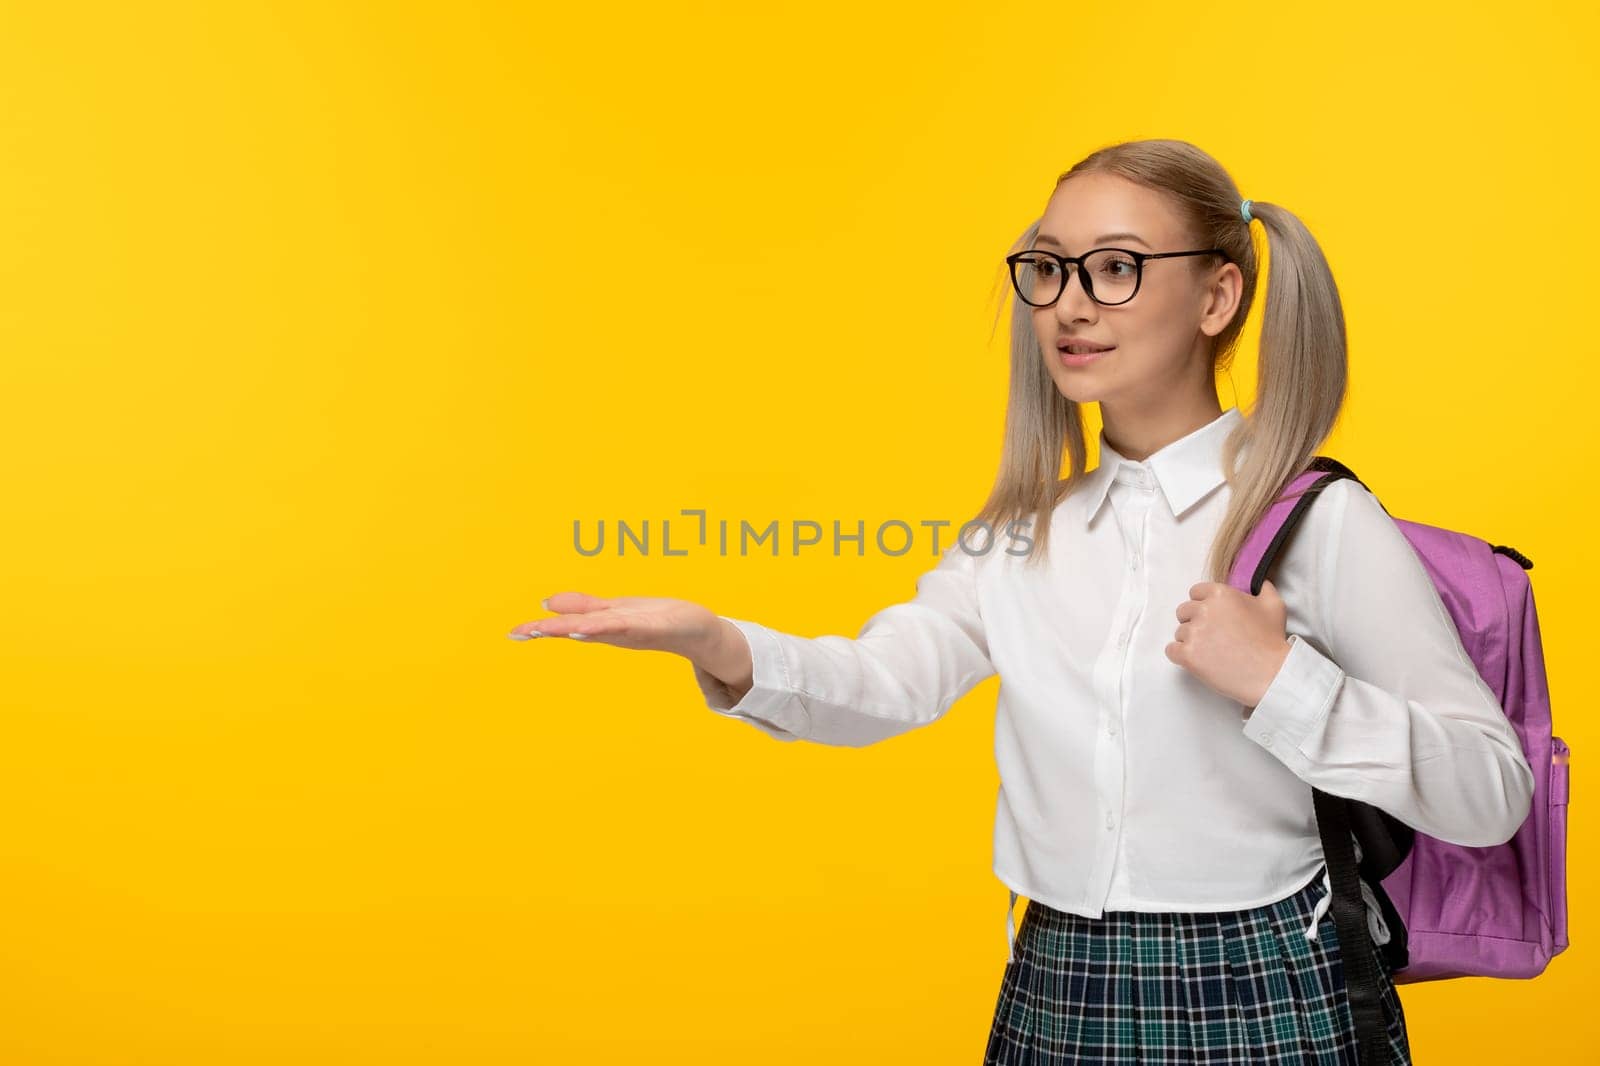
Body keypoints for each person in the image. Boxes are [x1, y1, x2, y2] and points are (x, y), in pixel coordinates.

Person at [508, 138, 1534, 1064]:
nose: (1070, 304)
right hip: (1055, 979)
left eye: (1116, 267)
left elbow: (1490, 795)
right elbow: (882, 683)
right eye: (1047, 268)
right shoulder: (1018, 533)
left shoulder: (1317, 519)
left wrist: (1286, 683)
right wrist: (719, 641)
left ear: (1217, 298)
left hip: (1267, 980)